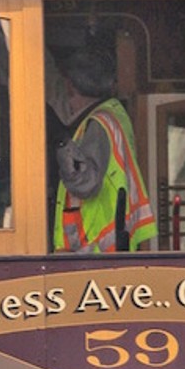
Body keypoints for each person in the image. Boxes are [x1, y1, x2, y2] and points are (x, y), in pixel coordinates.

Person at [50, 44, 155, 253]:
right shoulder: (114, 114)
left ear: (70, 86)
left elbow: (85, 184)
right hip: (110, 245)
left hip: (94, 250)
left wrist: (61, 143)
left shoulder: (99, 123)